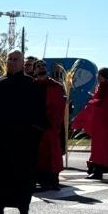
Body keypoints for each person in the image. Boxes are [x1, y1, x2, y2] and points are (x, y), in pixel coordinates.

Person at [0, 49, 46, 214]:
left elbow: (39, 114)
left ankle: (23, 209)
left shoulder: (32, 86)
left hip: (23, 142)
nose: (12, 62)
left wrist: (32, 136)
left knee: (23, 176)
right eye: (10, 59)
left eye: (16, 59)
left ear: (22, 63)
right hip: (2, 140)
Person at [72, 67, 108, 182]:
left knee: (100, 148)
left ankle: (98, 171)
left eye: (98, 76)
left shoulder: (104, 87)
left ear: (100, 76)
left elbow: (98, 103)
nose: (97, 78)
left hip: (103, 125)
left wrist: (90, 103)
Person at [33, 58, 66, 191]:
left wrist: (52, 121)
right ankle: (39, 179)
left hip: (50, 125)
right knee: (37, 155)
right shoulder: (31, 85)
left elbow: (59, 107)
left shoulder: (55, 86)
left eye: (43, 66)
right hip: (34, 126)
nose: (41, 68)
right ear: (35, 70)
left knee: (52, 154)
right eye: (39, 66)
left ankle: (53, 180)